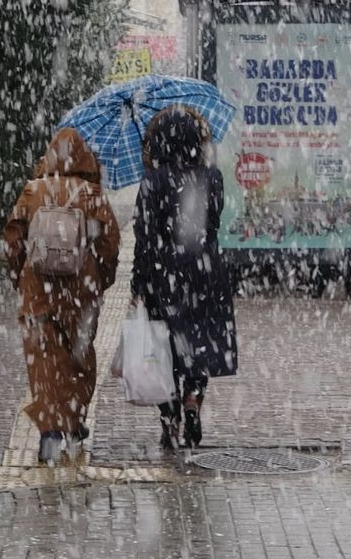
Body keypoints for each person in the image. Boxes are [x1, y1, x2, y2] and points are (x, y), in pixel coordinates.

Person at [4, 128, 121, 465]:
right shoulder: (93, 195)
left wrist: (20, 278)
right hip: (81, 293)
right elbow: (109, 246)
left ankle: (49, 431)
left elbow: (13, 242)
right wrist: (101, 280)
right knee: (78, 357)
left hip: (37, 291)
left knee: (43, 361)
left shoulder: (32, 191)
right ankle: (73, 420)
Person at [132, 106, 238, 451]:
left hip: (165, 274)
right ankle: (193, 399)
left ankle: (170, 414)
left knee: (163, 349)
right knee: (200, 342)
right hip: (206, 270)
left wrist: (139, 283)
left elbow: (144, 236)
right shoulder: (214, 177)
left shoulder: (153, 182)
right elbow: (214, 222)